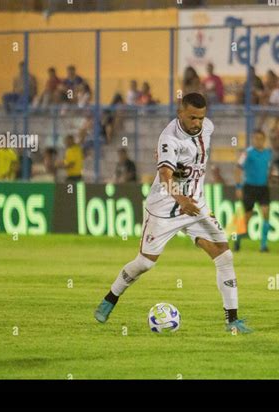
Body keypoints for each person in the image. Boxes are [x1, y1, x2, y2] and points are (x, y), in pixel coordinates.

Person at [94, 92, 252, 334]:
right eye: (192, 117)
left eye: (201, 117)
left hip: (196, 206)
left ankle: (233, 320)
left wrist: (190, 202)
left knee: (224, 256)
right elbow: (166, 177)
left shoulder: (207, 127)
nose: (197, 123)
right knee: (145, 263)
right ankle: (110, 298)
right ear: (180, 113)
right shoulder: (169, 139)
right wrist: (181, 199)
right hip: (165, 208)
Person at [234, 129, 272, 253]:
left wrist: (271, 177)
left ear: (264, 140)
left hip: (263, 188)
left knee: (266, 212)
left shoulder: (268, 153)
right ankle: (238, 239)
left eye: (260, 139)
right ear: (253, 139)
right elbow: (238, 168)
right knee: (247, 217)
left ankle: (263, 245)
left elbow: (269, 169)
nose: (258, 141)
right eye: (256, 138)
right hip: (249, 187)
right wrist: (238, 187)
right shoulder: (247, 153)